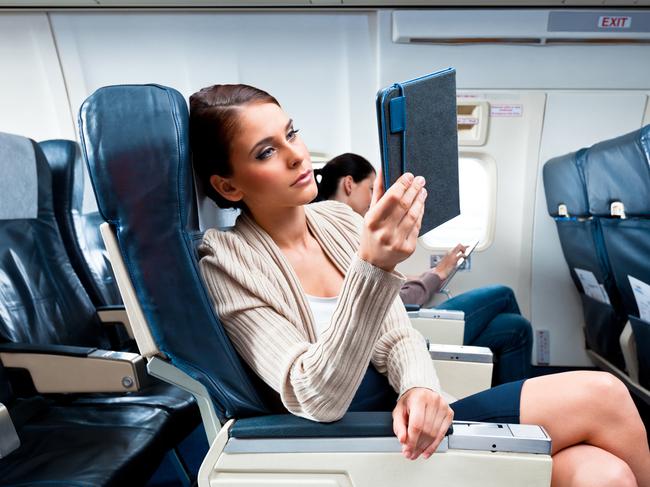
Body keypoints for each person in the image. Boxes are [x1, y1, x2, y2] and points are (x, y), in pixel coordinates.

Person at [191, 83, 650, 486]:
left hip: (408, 417)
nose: (297, 154)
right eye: (266, 151)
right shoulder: (225, 260)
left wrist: (419, 388)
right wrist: (373, 267)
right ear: (229, 187)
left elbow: (396, 335)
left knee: (604, 474)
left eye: (291, 133)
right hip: (359, 437)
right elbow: (315, 394)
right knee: (606, 395)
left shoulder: (334, 219)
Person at [314, 152, 532, 385]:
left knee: (515, 327)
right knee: (504, 294)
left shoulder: (344, 226)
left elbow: (374, 279)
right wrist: (437, 274)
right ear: (349, 184)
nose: (372, 199)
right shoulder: (340, 229)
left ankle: (512, 405)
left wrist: (419, 275)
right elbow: (394, 298)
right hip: (402, 328)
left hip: (403, 322)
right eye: (370, 189)